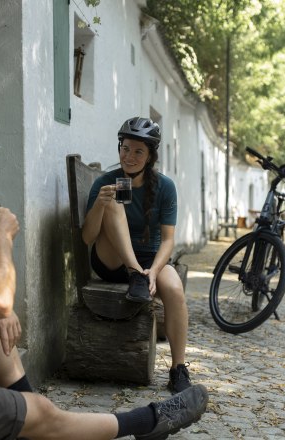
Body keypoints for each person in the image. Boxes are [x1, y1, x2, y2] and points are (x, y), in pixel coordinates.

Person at [0, 122, 208, 439]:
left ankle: (28, 406)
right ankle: (146, 422)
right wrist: (2, 239)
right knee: (43, 408)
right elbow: (0, 298)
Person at [82, 117, 193, 394]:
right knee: (114, 204)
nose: (129, 157)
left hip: (149, 263)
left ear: (150, 156)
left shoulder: (165, 187)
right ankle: (135, 273)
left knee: (175, 290)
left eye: (138, 151)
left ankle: (178, 369)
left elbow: (168, 240)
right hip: (112, 260)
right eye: (125, 149)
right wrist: (99, 205)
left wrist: (154, 271)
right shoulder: (106, 182)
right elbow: (87, 238)